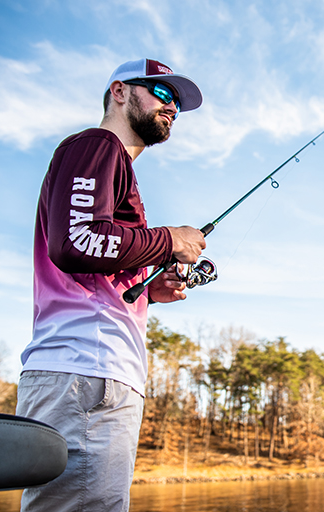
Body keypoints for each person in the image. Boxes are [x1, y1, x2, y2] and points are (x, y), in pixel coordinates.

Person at [15, 58, 207, 511]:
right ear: (120, 92)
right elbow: (76, 241)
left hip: (97, 376)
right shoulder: (97, 145)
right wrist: (168, 240)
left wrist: (150, 286)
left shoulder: (114, 164)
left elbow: (94, 255)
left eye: (177, 102)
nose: (173, 107)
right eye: (162, 93)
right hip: (86, 374)